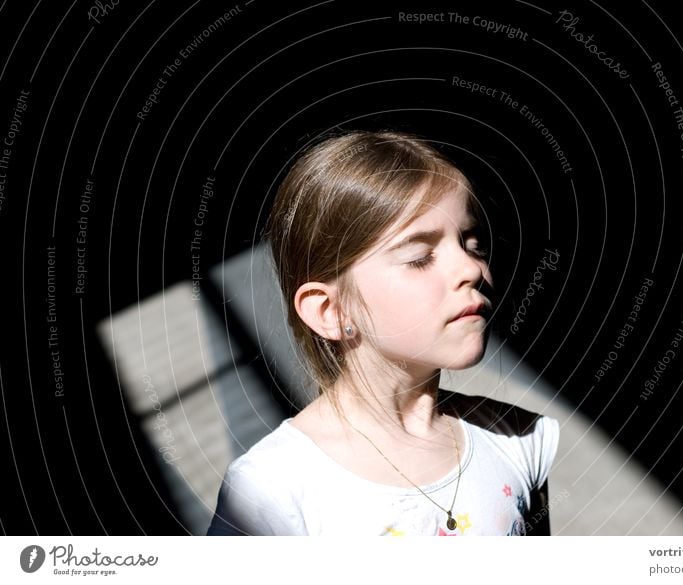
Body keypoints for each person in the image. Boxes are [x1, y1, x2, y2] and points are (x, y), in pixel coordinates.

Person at [206, 130, 559, 536]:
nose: (471, 269)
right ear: (331, 311)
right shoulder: (271, 491)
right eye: (420, 257)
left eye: (472, 244)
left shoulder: (518, 438)